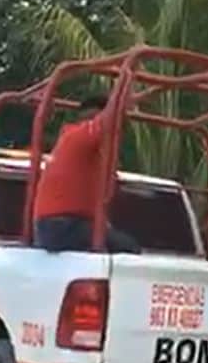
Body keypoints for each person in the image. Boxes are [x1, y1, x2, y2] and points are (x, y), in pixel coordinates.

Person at [33, 96, 141, 253]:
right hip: (60, 225)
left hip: (66, 224)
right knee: (128, 248)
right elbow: (107, 120)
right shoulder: (79, 136)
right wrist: (122, 96)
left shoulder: (96, 154)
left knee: (119, 242)